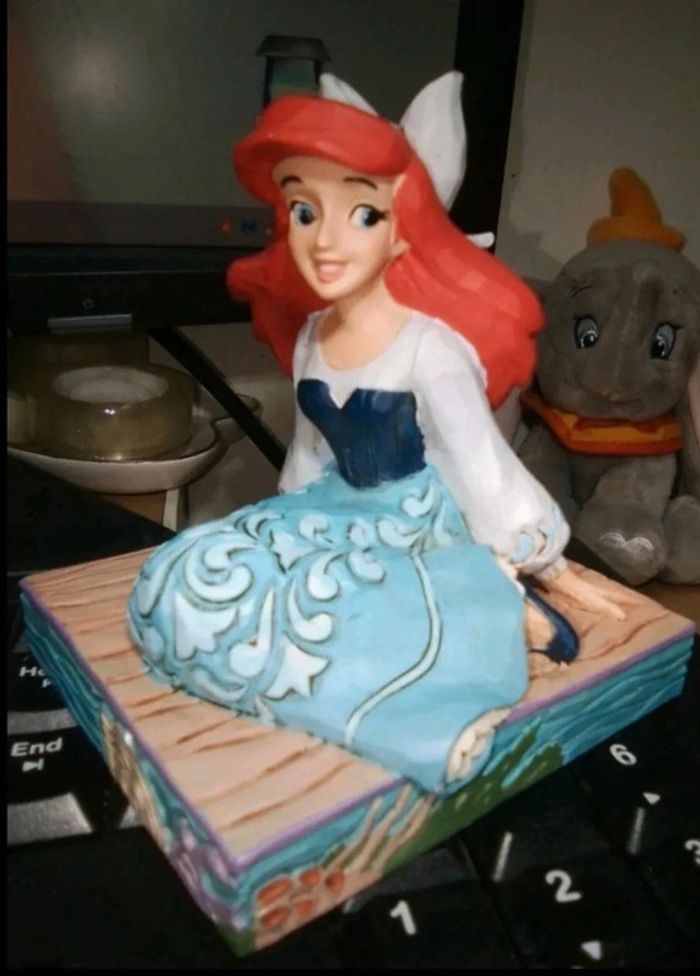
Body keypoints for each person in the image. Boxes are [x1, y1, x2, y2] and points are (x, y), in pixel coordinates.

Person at [127, 74, 628, 795]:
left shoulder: (431, 348)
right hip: (327, 509)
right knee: (178, 579)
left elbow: (481, 465)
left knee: (331, 608)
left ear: (402, 230)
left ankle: (478, 622)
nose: (325, 241)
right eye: (304, 209)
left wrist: (541, 556)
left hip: (407, 520)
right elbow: (307, 452)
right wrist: (275, 531)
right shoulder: (311, 336)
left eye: (362, 213)